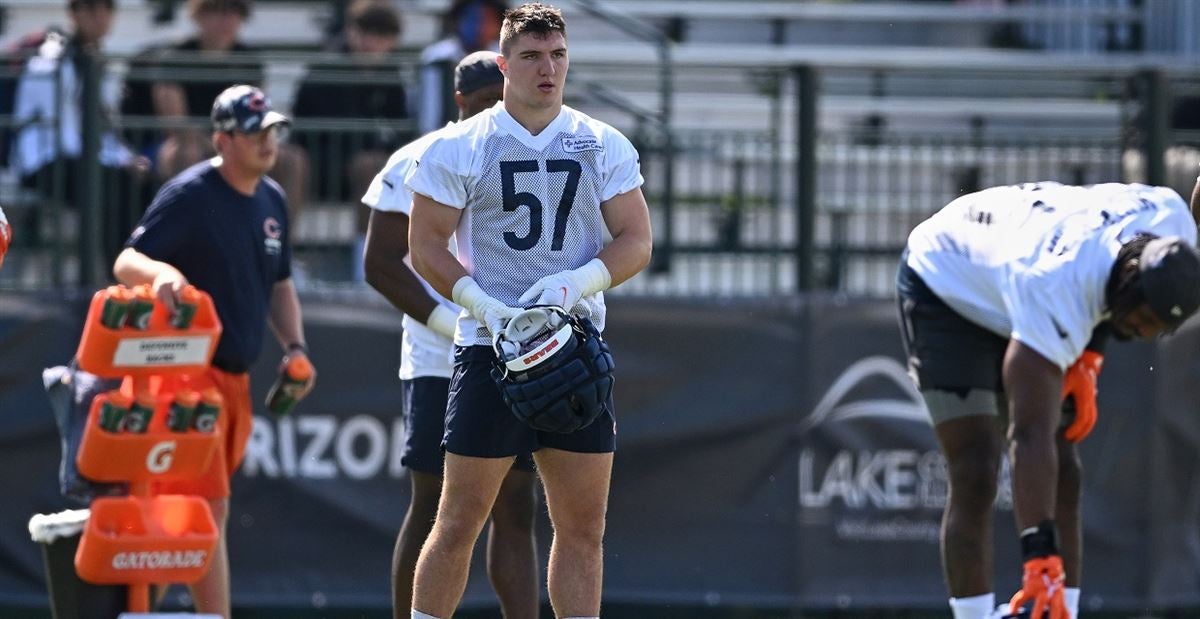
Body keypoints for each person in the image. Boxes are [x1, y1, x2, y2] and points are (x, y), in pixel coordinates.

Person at [405, 4, 653, 618]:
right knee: (458, 519)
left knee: (583, 528)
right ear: (503, 63)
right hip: (491, 348)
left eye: (558, 55)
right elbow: (423, 245)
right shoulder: (462, 144)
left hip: (573, 347)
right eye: (532, 56)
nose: (548, 69)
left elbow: (636, 240)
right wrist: (478, 302)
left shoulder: (600, 141)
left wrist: (578, 282)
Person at [896, 181, 1200, 619]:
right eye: (1144, 319)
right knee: (977, 467)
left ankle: (1063, 614)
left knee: (1065, 466)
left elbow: (1116, 267)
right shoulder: (1057, 288)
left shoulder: (1171, 225)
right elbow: (1028, 433)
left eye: (1158, 328)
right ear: (1130, 283)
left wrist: (1090, 357)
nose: (1146, 334)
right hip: (947, 285)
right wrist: (1040, 558)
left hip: (1027, 265)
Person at [112, 84, 315, 618]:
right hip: (184, 374)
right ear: (222, 140)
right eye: (254, 132)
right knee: (205, 507)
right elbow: (128, 261)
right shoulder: (191, 192)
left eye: (271, 130)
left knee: (195, 513)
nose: (268, 142)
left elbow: (280, 284)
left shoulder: (271, 198)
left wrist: (294, 346)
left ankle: (137, 610)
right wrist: (164, 274)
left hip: (234, 379)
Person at [362, 50, 539, 619]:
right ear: (460, 101)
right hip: (442, 355)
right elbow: (381, 262)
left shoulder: (537, 153)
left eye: (504, 96)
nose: (498, 111)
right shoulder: (419, 157)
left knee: (517, 502)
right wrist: (447, 320)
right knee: (435, 500)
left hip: (516, 349)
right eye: (487, 100)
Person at [9, 0, 151, 266]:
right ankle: (115, 272)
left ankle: (135, 271)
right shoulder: (50, 60)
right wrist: (113, 161)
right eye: (91, 9)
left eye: (106, 9)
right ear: (74, 14)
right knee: (108, 185)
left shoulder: (97, 58)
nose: (100, 16)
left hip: (83, 158)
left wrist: (126, 158)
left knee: (140, 184)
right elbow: (64, 131)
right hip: (45, 160)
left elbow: (104, 124)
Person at [293, 0, 410, 281]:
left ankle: (369, 263)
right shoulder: (325, 68)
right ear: (350, 31)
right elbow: (308, 128)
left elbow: (401, 128)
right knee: (298, 162)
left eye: (381, 35)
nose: (371, 42)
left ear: (392, 41)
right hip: (320, 166)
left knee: (376, 167)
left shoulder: (391, 76)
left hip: (365, 170)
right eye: (365, 32)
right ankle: (284, 260)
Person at [417, 0, 508, 134]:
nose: (480, 27)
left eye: (488, 20)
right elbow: (429, 115)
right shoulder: (437, 58)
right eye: (473, 19)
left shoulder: (507, 58)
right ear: (457, 21)